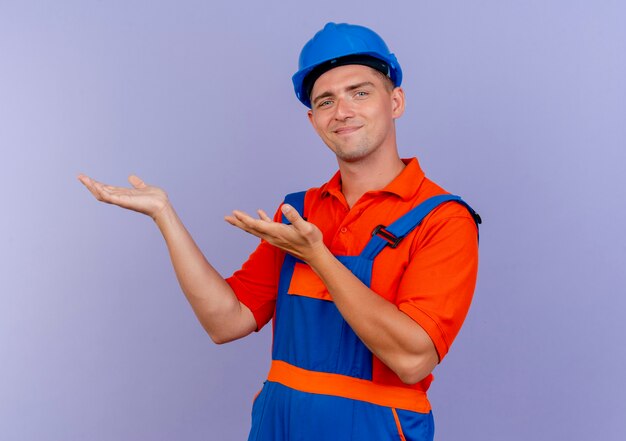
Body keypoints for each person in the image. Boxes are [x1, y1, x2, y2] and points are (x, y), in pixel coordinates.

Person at [78, 22, 480, 441]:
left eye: (360, 92)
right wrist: (165, 216)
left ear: (395, 101)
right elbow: (226, 321)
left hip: (376, 428)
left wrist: (317, 257)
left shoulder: (443, 220)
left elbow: (412, 359)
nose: (342, 111)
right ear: (313, 120)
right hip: (280, 425)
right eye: (326, 101)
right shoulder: (300, 212)